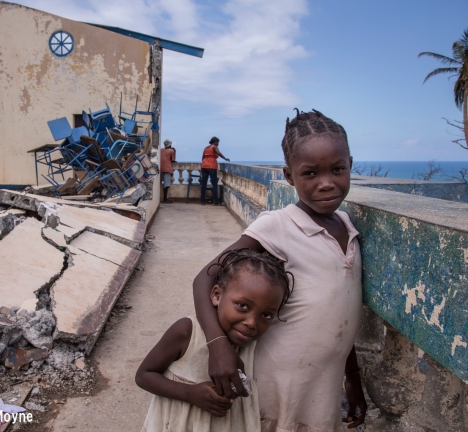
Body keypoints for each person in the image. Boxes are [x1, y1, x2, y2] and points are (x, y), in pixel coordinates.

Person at [193, 109, 367, 431]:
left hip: (322, 388)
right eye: (310, 174)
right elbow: (205, 278)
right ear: (289, 176)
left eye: (337, 169)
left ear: (350, 165)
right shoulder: (277, 226)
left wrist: (352, 378)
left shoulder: (347, 228)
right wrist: (217, 346)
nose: (327, 183)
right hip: (276, 387)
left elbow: (340, 312)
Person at [136, 249, 292, 432]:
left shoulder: (254, 347)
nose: (251, 323)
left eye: (266, 315)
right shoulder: (187, 332)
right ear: (217, 295)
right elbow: (144, 375)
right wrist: (190, 393)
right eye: (242, 306)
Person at [201, 137, 230, 206]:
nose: (218, 144)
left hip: (204, 165)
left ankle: (202, 201)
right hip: (212, 166)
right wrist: (225, 158)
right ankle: (215, 201)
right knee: (214, 184)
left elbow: (203, 157)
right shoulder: (214, 147)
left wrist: (205, 162)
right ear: (214, 141)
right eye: (217, 142)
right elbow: (219, 153)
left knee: (203, 183)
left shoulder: (205, 148)